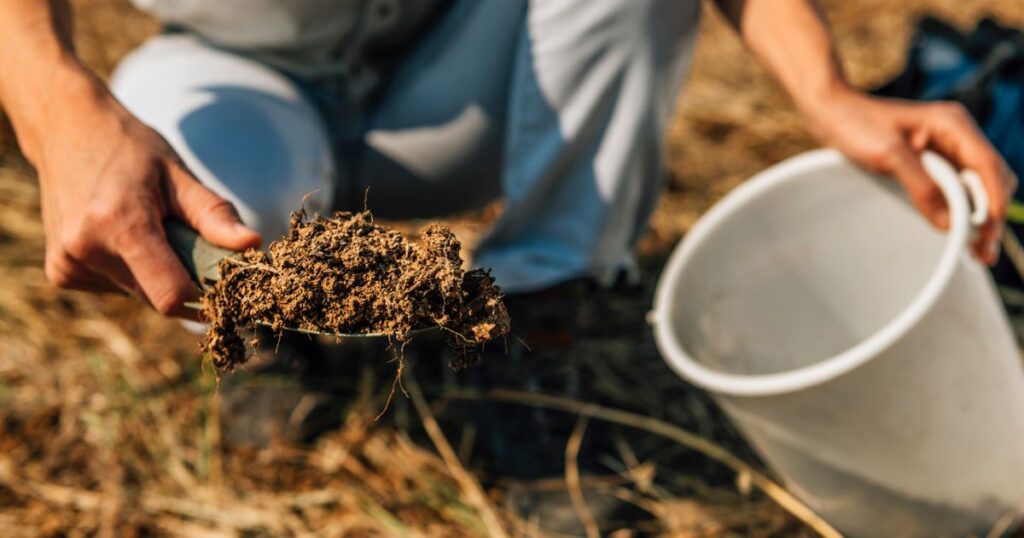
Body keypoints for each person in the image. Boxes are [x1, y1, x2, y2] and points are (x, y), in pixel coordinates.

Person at [0, 0, 1014, 317]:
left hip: (460, 81)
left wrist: (829, 92)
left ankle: (540, 309)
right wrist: (58, 107)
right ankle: (282, 335)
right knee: (196, 213)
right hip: (240, 79)